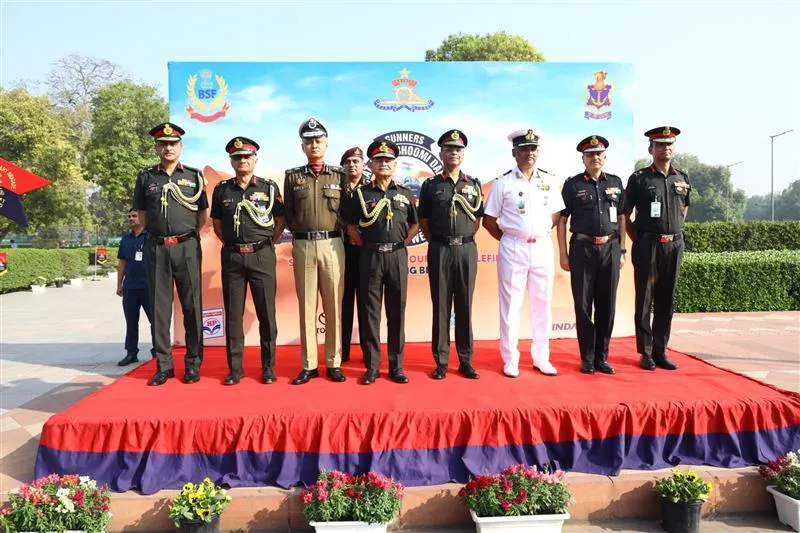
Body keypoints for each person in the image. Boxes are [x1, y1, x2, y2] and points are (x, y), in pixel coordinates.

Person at [482, 128, 564, 378]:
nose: (529, 153)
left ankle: (541, 358)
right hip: (513, 247)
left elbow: (556, 214)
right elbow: (489, 220)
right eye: (524, 149)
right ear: (514, 153)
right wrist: (510, 237)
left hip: (541, 246)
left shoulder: (549, 181)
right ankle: (510, 359)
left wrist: (538, 231)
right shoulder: (503, 182)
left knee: (543, 303)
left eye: (533, 149)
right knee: (510, 306)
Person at [132, 122, 209, 386]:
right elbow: (142, 215)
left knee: (192, 306)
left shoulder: (194, 177)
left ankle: (193, 364)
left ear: (181, 147)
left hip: (187, 247)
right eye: (163, 144)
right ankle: (164, 366)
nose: (168, 148)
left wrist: (184, 235)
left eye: (173, 143)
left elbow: (202, 215)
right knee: (159, 309)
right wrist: (161, 234)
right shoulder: (146, 178)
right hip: (157, 248)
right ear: (156, 148)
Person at [211, 137, 285, 385]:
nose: (242, 160)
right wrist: (235, 245)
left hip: (261, 255)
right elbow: (217, 225)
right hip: (233, 256)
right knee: (233, 316)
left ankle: (268, 368)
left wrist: (265, 243)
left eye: (246, 157)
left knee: (267, 314)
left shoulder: (269, 188)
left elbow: (280, 221)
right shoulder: (222, 190)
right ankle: (235, 369)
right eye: (237, 157)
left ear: (255, 160)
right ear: (231, 162)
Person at [347, 139, 419, 385]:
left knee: (397, 312)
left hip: (397, 256)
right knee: (370, 313)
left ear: (394, 165)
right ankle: (372, 366)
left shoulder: (404, 193)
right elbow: (351, 226)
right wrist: (366, 245)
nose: (384, 164)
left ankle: (396, 366)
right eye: (379, 160)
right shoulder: (361, 194)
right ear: (371, 165)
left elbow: (415, 223)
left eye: (388, 160)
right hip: (371, 256)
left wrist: (403, 242)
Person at [283, 118, 347, 385]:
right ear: (302, 146)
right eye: (308, 141)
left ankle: (334, 362)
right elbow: (288, 213)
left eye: (318, 140)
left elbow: (347, 212)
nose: (314, 145)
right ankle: (309, 364)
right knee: (307, 307)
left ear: (326, 144)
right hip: (304, 245)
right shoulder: (292, 177)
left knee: (334, 306)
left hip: (333, 244)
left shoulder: (340, 176)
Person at [556, 135, 627, 375]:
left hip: (610, 248)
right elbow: (562, 220)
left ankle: (602, 357)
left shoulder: (615, 182)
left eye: (599, 153)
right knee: (584, 306)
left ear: (604, 157)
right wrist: (563, 254)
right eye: (590, 154)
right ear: (583, 159)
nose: (595, 157)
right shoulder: (573, 185)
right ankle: (587, 358)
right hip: (582, 249)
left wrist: (622, 250)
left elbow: (622, 217)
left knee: (607, 305)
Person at [417, 129, 482, 380]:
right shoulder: (431, 185)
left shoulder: (473, 184)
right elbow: (423, 220)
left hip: (466, 249)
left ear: (463, 154)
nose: (454, 152)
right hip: (440, 249)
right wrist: (440, 241)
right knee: (441, 306)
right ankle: (441, 361)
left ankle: (466, 360)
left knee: (465, 305)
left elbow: (476, 219)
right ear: (441, 153)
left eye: (458, 149)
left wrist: (461, 239)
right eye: (449, 149)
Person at [624, 126, 690, 371]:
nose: (665, 148)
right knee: (644, 299)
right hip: (647, 245)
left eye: (669, 144)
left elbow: (684, 208)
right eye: (660, 144)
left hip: (674, 245)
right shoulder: (639, 178)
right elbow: (625, 214)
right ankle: (646, 352)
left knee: (666, 298)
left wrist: (674, 231)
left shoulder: (682, 177)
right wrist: (639, 239)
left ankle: (661, 350)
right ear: (650, 149)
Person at [340, 147, 370, 365]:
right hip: (340, 251)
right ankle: (342, 351)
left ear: (363, 165)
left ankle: (368, 352)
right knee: (344, 303)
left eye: (356, 161)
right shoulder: (335, 188)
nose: (352, 165)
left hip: (365, 251)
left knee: (367, 303)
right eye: (348, 162)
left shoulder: (370, 189)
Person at [116, 208, 154, 367]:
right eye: (129, 216)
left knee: (155, 321)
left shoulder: (151, 237)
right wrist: (119, 284)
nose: (131, 219)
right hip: (130, 287)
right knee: (131, 322)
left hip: (149, 287)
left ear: (142, 217)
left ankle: (158, 351)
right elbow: (122, 262)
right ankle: (131, 353)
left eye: (134, 216)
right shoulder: (125, 240)